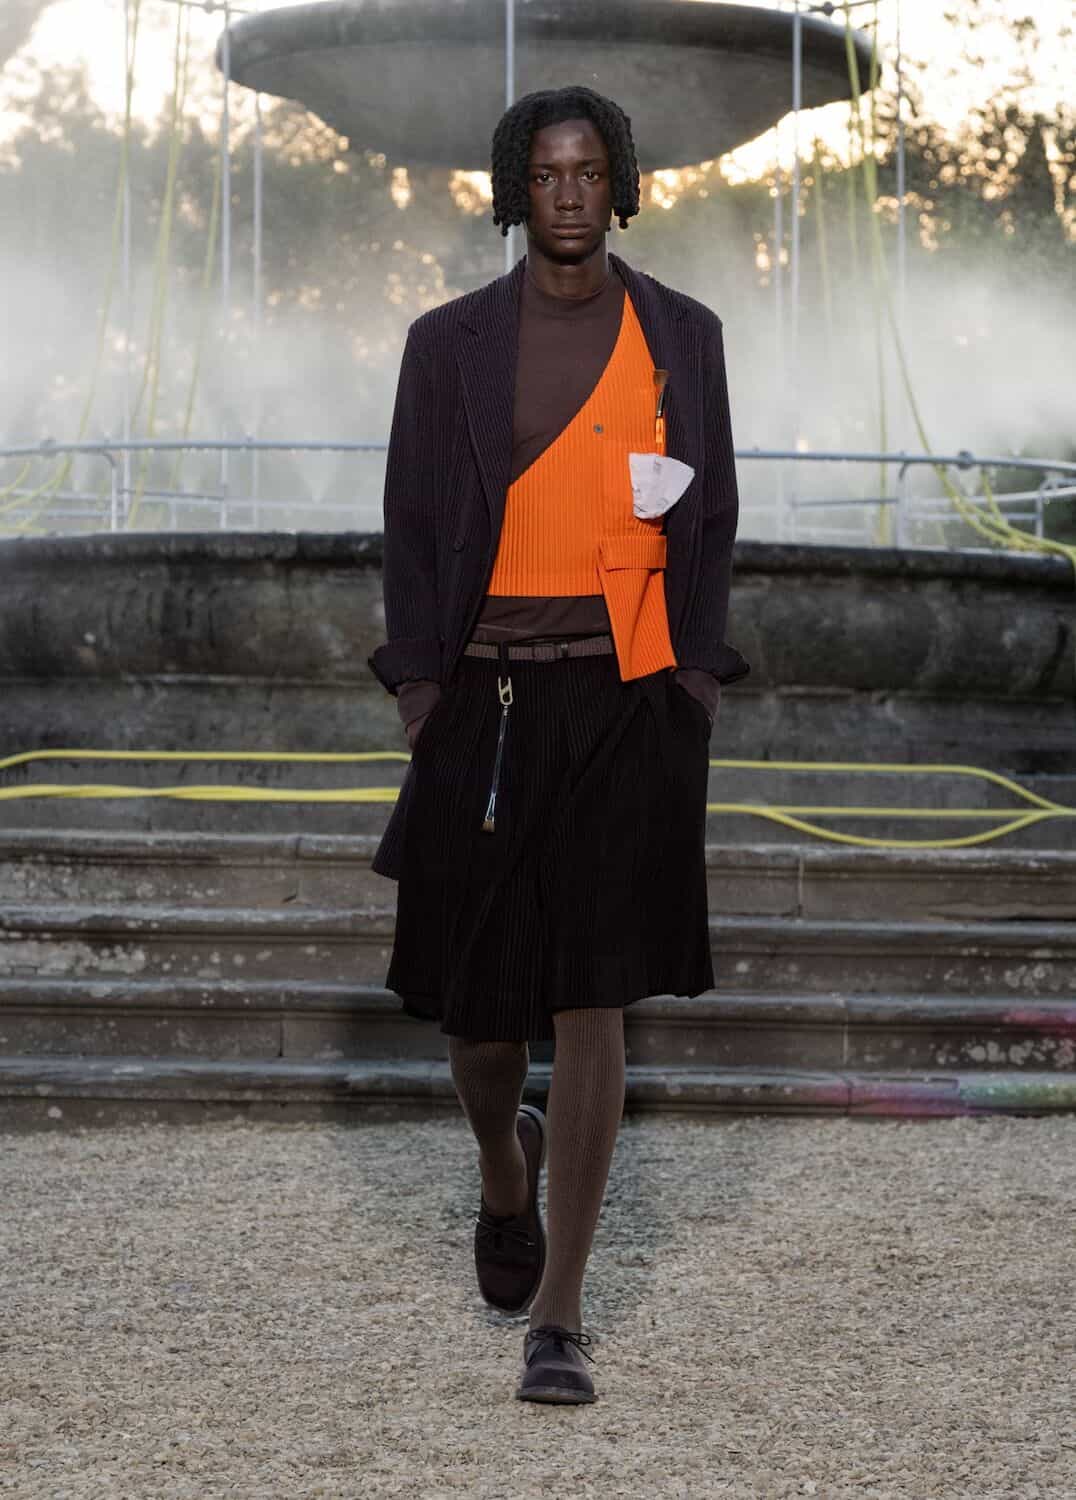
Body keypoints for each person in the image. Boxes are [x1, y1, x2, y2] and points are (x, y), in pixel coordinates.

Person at [367, 84, 748, 1405]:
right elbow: (413, 520)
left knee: (595, 996)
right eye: (546, 172)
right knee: (481, 1021)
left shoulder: (683, 336)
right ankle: (501, 1166)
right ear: (515, 190)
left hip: (624, 699)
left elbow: (710, 517)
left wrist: (689, 686)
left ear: (621, 183)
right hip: (483, 698)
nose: (569, 191)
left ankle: (562, 1316)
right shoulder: (449, 343)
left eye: (589, 169)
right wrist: (424, 697)